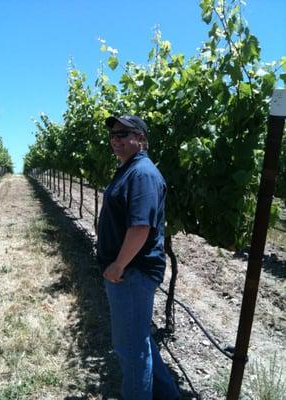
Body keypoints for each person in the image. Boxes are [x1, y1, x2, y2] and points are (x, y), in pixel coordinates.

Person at [97, 114, 180, 400]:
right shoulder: (129, 169)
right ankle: (169, 395)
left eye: (124, 133)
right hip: (127, 272)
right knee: (138, 342)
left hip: (131, 273)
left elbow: (140, 226)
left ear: (141, 138)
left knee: (130, 349)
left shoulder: (142, 173)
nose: (116, 139)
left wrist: (118, 266)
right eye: (113, 134)